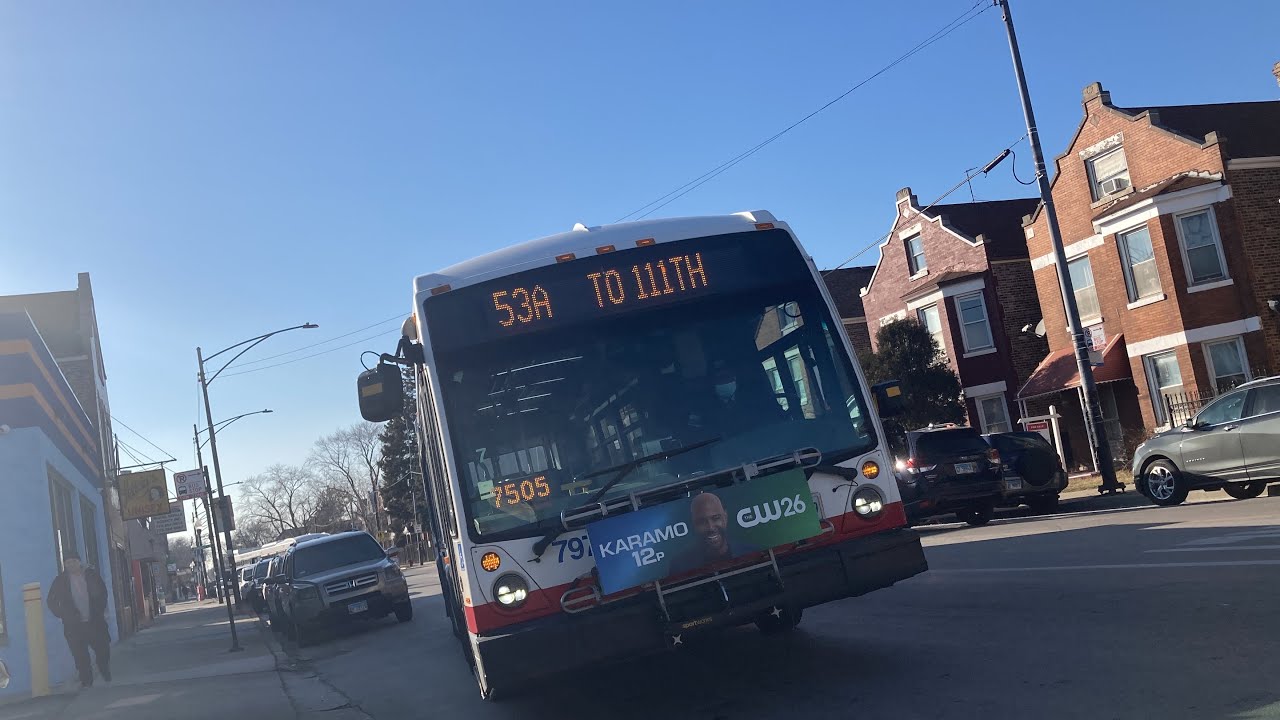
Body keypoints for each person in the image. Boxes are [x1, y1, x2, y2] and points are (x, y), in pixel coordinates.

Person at [47, 552, 112, 688]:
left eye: (73, 561)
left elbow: (103, 592)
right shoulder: (60, 580)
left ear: (79, 562)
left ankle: (104, 668)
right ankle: (87, 681)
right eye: (67, 562)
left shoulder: (91, 575)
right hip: (73, 625)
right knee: (80, 655)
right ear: (64, 564)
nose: (70, 564)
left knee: (102, 648)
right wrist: (61, 614)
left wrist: (99, 610)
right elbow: (51, 600)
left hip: (94, 622)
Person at [670, 492, 756, 575]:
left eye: (715, 518)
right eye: (702, 522)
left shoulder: (751, 552)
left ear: (725, 517)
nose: (710, 527)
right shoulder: (680, 566)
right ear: (693, 525)